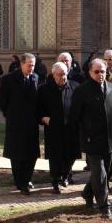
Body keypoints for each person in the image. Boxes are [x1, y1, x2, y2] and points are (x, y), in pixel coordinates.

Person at [70, 59, 112, 218]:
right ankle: (105, 206)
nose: (100, 74)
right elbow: (74, 117)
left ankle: (87, 193)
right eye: (96, 71)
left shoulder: (111, 88)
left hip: (109, 140)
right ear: (90, 72)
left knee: (106, 172)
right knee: (99, 174)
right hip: (92, 141)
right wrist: (81, 138)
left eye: (103, 71)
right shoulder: (82, 91)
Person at [0, 53, 41, 195]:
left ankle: (27, 179)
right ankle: (20, 181)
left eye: (33, 65)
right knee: (17, 154)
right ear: (21, 64)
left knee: (31, 154)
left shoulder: (35, 78)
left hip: (31, 123)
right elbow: (3, 101)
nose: (31, 68)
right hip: (16, 123)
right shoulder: (9, 79)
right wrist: (11, 115)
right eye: (29, 65)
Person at [37, 61, 80, 193]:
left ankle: (65, 175)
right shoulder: (44, 89)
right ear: (53, 75)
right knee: (56, 156)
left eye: (65, 74)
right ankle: (55, 181)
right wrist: (43, 118)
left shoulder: (75, 86)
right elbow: (38, 108)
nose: (63, 77)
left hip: (71, 128)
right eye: (60, 75)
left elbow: (80, 106)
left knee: (71, 155)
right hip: (54, 128)